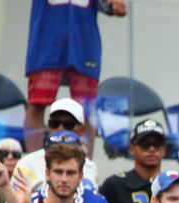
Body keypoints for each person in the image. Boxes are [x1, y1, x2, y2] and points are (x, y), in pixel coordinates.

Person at [24, 0, 125, 150]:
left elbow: (111, 5)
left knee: (86, 108)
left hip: (83, 42)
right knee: (37, 103)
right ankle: (33, 164)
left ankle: (86, 165)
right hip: (47, 40)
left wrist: (113, 4)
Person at [12, 100, 101, 190]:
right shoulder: (27, 164)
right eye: (54, 124)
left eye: (68, 125)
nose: (60, 128)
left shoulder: (90, 167)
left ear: (81, 130)